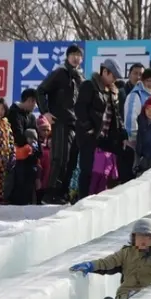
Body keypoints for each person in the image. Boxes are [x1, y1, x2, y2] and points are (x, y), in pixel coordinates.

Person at [69, 217, 151, 299]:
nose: (142, 240)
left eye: (147, 237)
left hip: (148, 291)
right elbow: (107, 262)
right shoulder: (126, 253)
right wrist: (90, 265)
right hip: (127, 291)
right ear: (133, 238)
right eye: (139, 236)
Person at [37, 44, 84, 204]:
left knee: (71, 161)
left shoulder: (80, 78)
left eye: (79, 55)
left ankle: (62, 193)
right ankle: (50, 194)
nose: (76, 58)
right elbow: (40, 90)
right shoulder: (60, 73)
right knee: (60, 158)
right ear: (67, 56)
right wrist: (46, 112)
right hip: (61, 121)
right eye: (73, 54)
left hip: (75, 123)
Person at [75, 58, 125, 199]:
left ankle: (100, 197)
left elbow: (116, 115)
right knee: (87, 169)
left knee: (106, 170)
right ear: (104, 71)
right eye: (113, 76)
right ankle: (83, 199)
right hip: (89, 135)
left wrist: (122, 134)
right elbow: (80, 109)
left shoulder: (113, 91)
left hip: (106, 137)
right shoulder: (89, 86)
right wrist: (88, 128)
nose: (114, 80)